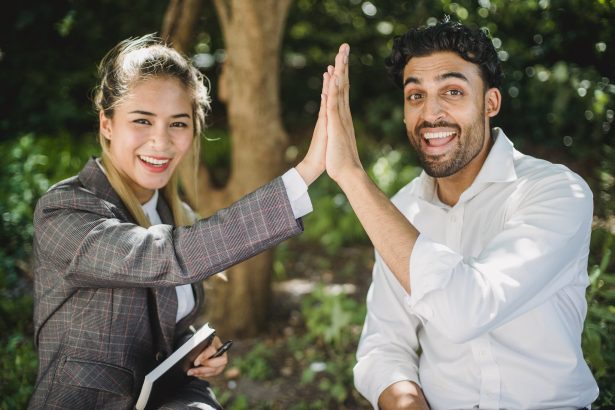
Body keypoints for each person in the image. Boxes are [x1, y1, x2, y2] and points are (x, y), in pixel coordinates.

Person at [29, 34, 329, 409]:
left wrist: (193, 348)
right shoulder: (65, 211)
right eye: (142, 120)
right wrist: (305, 173)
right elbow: (165, 256)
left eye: (178, 123)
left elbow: (163, 330)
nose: (161, 141)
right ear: (107, 123)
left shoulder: (171, 212)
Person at [319, 20, 599, 409]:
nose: (431, 114)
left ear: (491, 103)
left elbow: (469, 308)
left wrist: (351, 176)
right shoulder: (401, 210)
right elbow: (384, 345)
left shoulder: (556, 192)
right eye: (415, 95)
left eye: (452, 91)